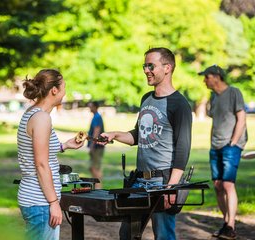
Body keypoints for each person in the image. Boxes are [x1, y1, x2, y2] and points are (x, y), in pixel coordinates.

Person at [100, 47, 192, 240]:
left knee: (164, 236)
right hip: (139, 181)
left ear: (167, 68)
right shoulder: (146, 99)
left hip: (162, 182)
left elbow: (183, 148)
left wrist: (172, 187)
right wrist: (114, 134)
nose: (146, 70)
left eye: (151, 66)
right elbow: (138, 135)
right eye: (144, 66)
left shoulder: (179, 104)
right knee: (127, 234)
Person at [17, 69, 84, 240]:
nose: (65, 92)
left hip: (35, 198)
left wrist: (65, 146)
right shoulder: (41, 118)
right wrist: (54, 203)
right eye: (64, 87)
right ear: (54, 90)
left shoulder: (33, 113)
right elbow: (41, 164)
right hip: (40, 201)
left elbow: (38, 151)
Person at [199, 65, 247, 239]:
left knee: (227, 184)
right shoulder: (213, 96)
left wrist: (233, 142)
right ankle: (226, 222)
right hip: (216, 146)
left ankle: (231, 226)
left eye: (206, 77)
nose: (204, 80)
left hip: (231, 145)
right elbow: (216, 121)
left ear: (217, 77)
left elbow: (241, 118)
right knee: (218, 185)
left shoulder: (234, 92)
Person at [87, 101, 105, 188]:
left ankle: (98, 187)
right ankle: (96, 186)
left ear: (95, 106)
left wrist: (92, 145)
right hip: (96, 146)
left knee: (95, 167)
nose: (89, 107)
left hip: (97, 147)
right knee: (93, 167)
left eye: (90, 105)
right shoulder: (96, 116)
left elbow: (96, 131)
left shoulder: (97, 117)